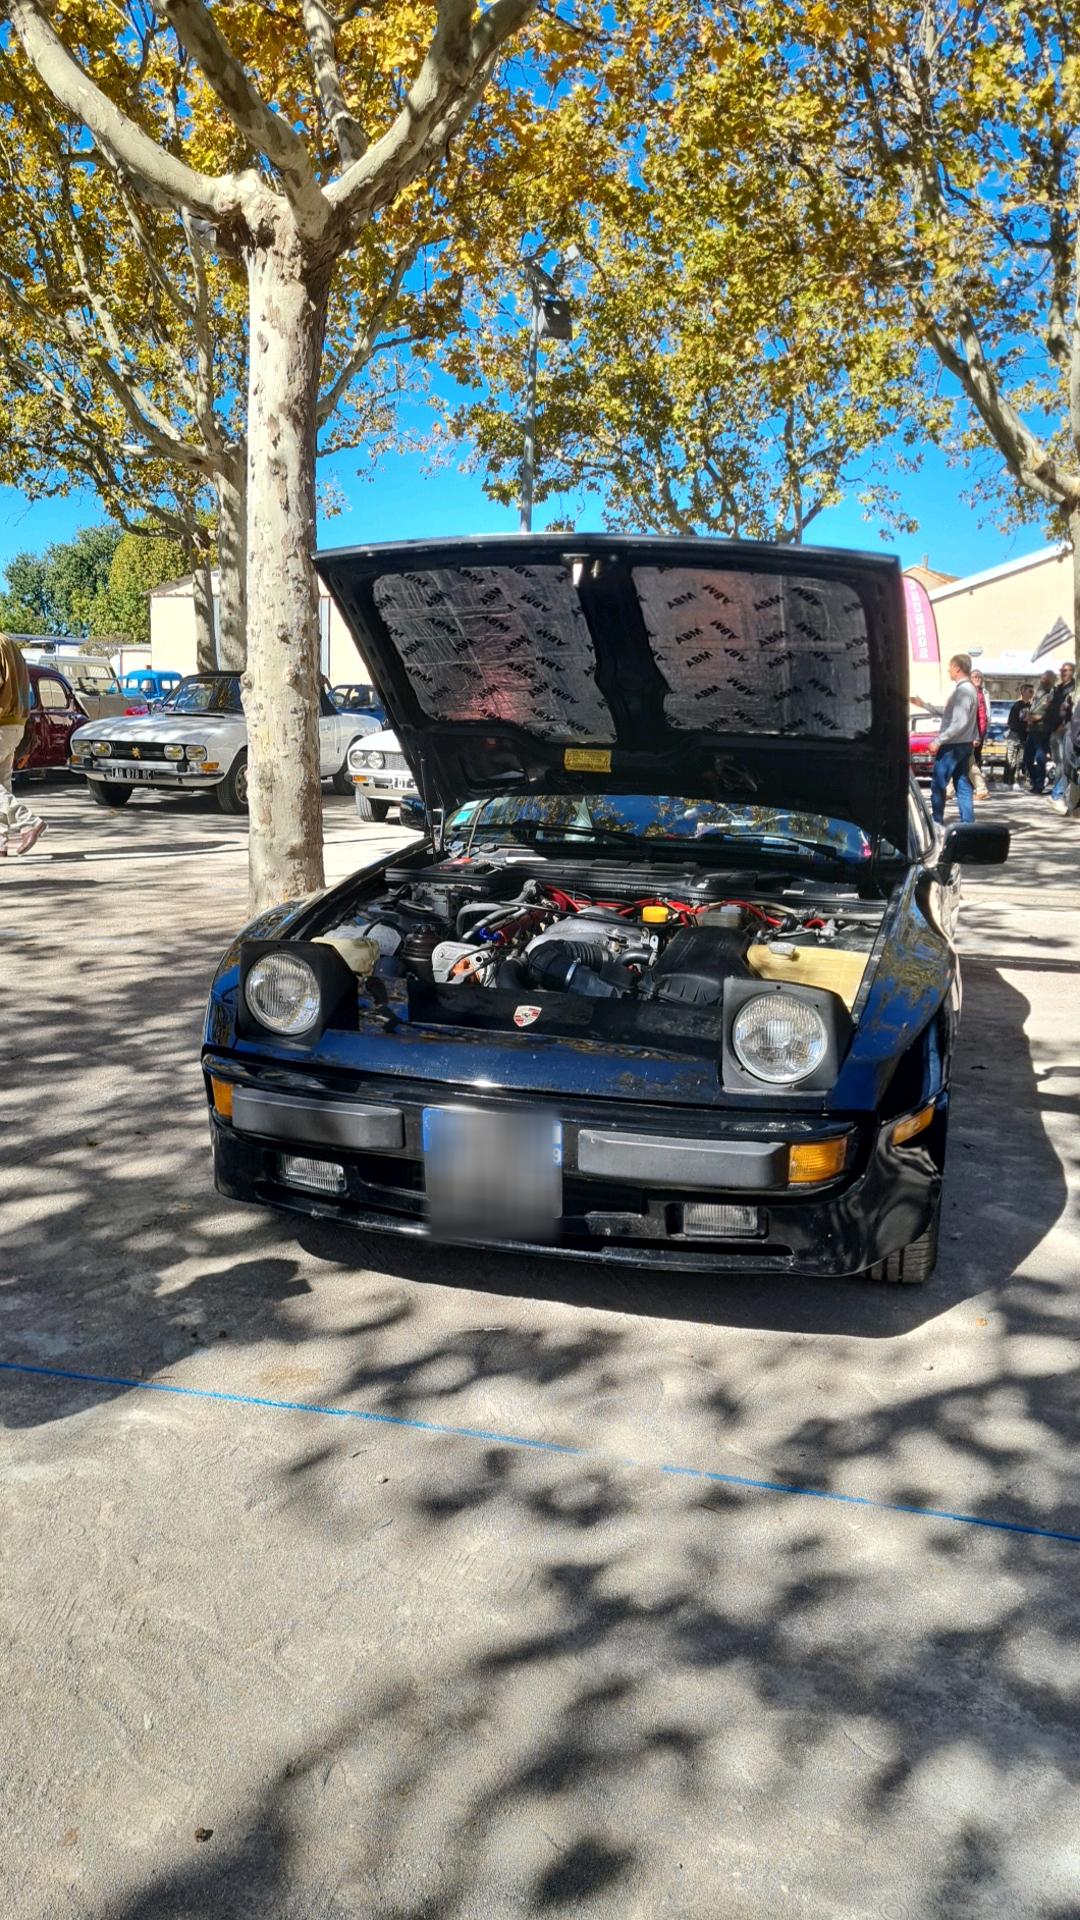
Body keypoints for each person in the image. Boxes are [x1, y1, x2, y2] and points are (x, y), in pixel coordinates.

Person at [913, 653, 978, 836]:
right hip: (963, 744)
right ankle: (968, 823)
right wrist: (925, 705)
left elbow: (959, 722)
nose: (948, 670)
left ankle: (937, 823)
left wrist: (938, 740)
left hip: (953, 745)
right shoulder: (967, 690)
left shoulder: (964, 691)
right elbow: (950, 713)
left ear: (957, 668)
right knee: (963, 784)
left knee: (939, 784)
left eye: (950, 667)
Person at [0, 633, 46, 856]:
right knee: (2, 785)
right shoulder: (9, 643)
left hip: (1, 721)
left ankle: (29, 822)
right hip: (16, 722)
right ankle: (0, 842)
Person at [1023, 670, 1057, 794]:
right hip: (1032, 730)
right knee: (1027, 758)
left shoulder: (1051, 695)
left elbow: (1048, 712)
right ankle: (1034, 782)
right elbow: (1034, 709)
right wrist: (1028, 716)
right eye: (1041, 679)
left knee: (1040, 758)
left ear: (1050, 681)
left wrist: (1034, 718)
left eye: (1045, 679)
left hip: (1042, 731)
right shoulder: (1038, 694)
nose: (1042, 681)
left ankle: (1039, 785)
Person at [1048, 660, 1075, 807]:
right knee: (1059, 763)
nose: (1063, 673)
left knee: (1064, 764)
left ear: (1073, 672)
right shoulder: (1058, 689)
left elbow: (1072, 710)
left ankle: (1057, 794)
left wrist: (1064, 725)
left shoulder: (1074, 688)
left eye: (1066, 670)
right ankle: (1058, 793)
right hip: (1053, 730)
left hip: (1065, 730)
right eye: (1062, 670)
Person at [1004, 682, 1033, 788]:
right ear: (1023, 692)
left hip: (1024, 737)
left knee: (1020, 761)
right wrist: (1023, 726)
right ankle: (1007, 781)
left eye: (1032, 692)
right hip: (1014, 735)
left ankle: (1016, 781)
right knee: (1010, 760)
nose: (1031, 694)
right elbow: (1011, 722)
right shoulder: (1017, 706)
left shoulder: (1031, 706)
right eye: (1029, 691)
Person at [970, 668, 991, 798]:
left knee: (973, 759)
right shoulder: (968, 692)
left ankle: (980, 789)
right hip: (971, 731)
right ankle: (979, 788)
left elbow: (986, 714)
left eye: (979, 677)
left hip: (979, 732)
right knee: (968, 760)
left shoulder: (984, 692)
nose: (977, 679)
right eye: (975, 677)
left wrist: (981, 733)